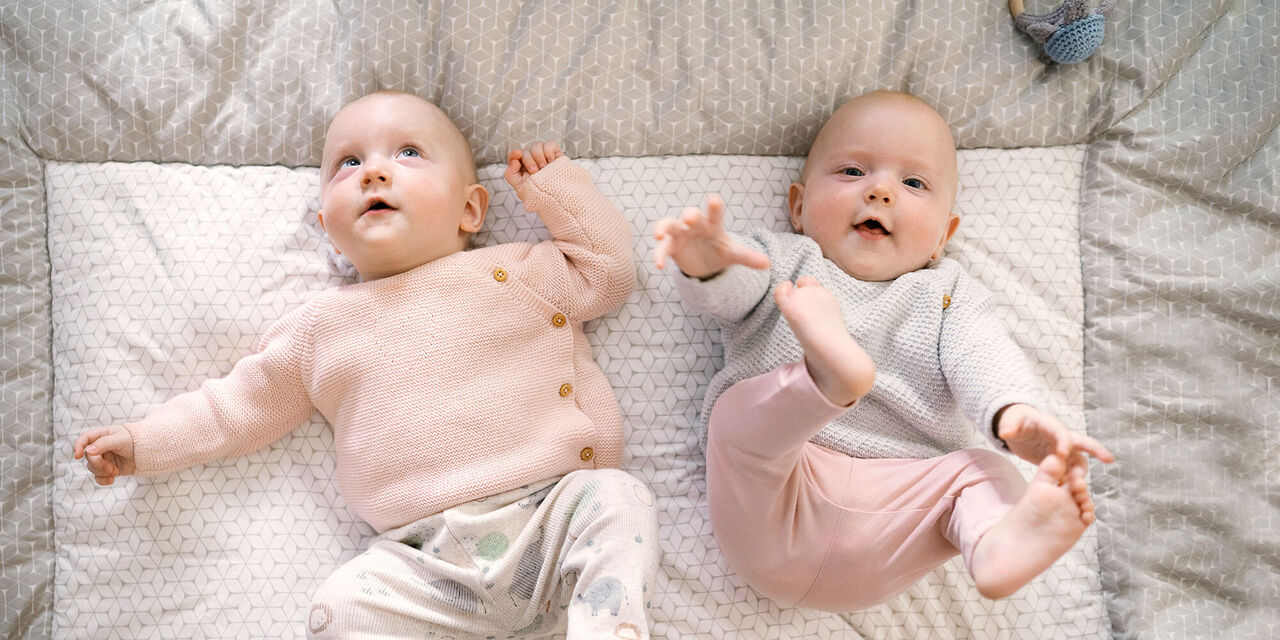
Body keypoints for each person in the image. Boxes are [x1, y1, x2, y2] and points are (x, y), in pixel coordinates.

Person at [73, 90, 658, 639]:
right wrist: (144, 442)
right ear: (327, 229)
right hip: (423, 562)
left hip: (549, 522)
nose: (374, 172)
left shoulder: (522, 272)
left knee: (618, 499)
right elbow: (233, 408)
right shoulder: (320, 329)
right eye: (346, 165)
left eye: (408, 153)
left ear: (471, 208)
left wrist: (555, 190)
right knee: (338, 606)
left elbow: (607, 271)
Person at [652, 89, 1115, 611]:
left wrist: (1014, 414)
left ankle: (994, 546)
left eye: (913, 182)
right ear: (798, 207)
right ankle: (826, 380)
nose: (880, 191)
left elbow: (982, 355)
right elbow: (729, 293)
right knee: (737, 418)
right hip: (780, 489)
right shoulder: (783, 259)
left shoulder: (947, 295)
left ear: (944, 235)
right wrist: (709, 263)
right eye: (852, 172)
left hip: (898, 510)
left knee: (985, 472)